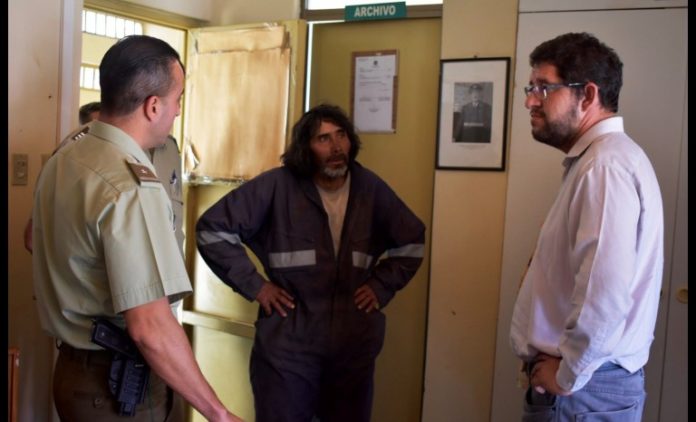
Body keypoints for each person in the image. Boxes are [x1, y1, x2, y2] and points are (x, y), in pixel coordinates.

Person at [31, 35, 243, 421]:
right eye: (178, 99)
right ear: (154, 105)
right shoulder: (130, 186)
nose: (178, 111)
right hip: (115, 387)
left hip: (74, 375)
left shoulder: (66, 157)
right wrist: (218, 412)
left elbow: (33, 239)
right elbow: (149, 327)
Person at [195, 103, 425, 422]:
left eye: (341, 135)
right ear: (305, 148)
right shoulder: (276, 186)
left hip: (352, 344)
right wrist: (257, 287)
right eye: (323, 139)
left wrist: (381, 285)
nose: (335, 147)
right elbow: (212, 229)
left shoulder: (370, 188)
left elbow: (412, 240)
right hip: (289, 345)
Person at [509, 32, 663, 421]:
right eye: (531, 87)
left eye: (544, 88)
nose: (530, 100)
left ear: (588, 95)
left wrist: (567, 374)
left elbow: (603, 291)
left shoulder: (605, 168)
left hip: (586, 391)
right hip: (588, 387)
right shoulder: (598, 161)